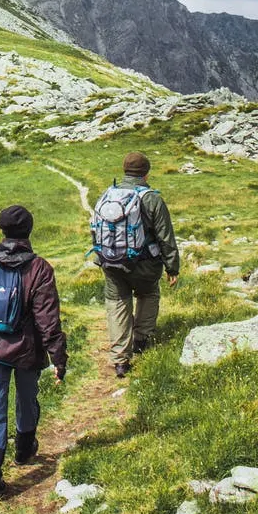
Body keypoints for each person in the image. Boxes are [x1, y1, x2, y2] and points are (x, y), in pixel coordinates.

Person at [0, 204, 68, 499]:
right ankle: (24, 451)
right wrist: (58, 358)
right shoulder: (40, 268)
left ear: (2, 230)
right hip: (26, 350)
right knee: (26, 397)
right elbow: (48, 320)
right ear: (29, 231)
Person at [94, 151, 180, 378]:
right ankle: (141, 340)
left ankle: (120, 360)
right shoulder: (152, 198)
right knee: (148, 294)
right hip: (145, 265)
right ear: (146, 173)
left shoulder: (109, 194)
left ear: (124, 170)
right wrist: (172, 267)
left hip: (111, 263)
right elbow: (165, 236)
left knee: (117, 304)